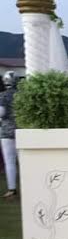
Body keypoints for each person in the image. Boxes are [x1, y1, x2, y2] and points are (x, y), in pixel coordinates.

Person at [0, 71, 19, 199]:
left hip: (6, 131)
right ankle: (29, 186)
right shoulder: (22, 95)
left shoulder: (2, 96)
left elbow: (1, 113)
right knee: (24, 161)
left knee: (9, 161)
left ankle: (12, 189)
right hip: (21, 130)